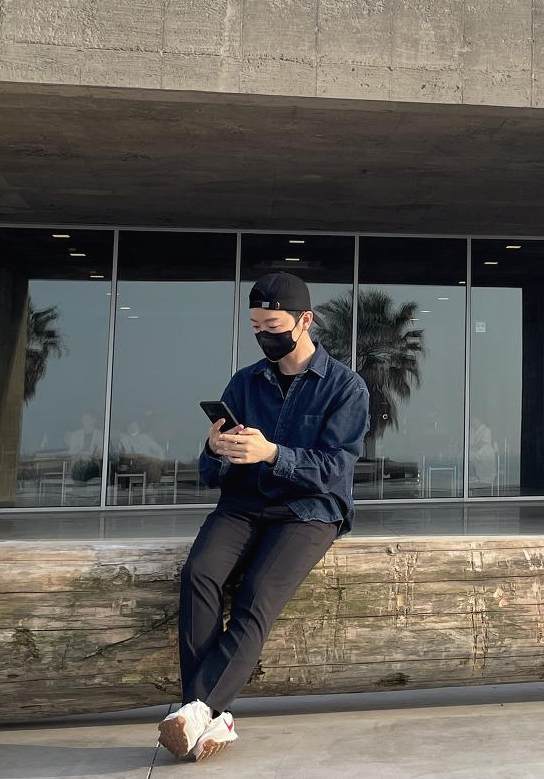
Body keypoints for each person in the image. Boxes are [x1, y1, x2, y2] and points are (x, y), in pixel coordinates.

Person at [156, 272, 370, 763]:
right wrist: (216, 450)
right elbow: (210, 474)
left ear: (304, 321)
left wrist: (272, 453)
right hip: (244, 503)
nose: (263, 335)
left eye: (272, 326)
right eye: (255, 327)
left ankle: (197, 709)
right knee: (199, 574)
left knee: (255, 595)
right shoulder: (245, 382)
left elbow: (336, 470)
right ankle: (209, 715)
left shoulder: (345, 387)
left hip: (308, 511)